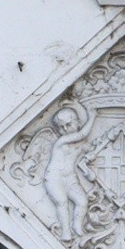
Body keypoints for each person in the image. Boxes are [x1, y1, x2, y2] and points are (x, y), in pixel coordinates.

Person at [43, 101, 96, 241]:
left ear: (77, 122)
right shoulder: (62, 141)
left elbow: (89, 148)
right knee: (61, 202)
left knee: (82, 201)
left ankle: (77, 226)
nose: (65, 129)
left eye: (69, 124)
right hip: (54, 178)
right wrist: (93, 117)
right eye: (61, 127)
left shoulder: (80, 142)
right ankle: (66, 231)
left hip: (70, 178)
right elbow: (83, 133)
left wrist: (90, 155)